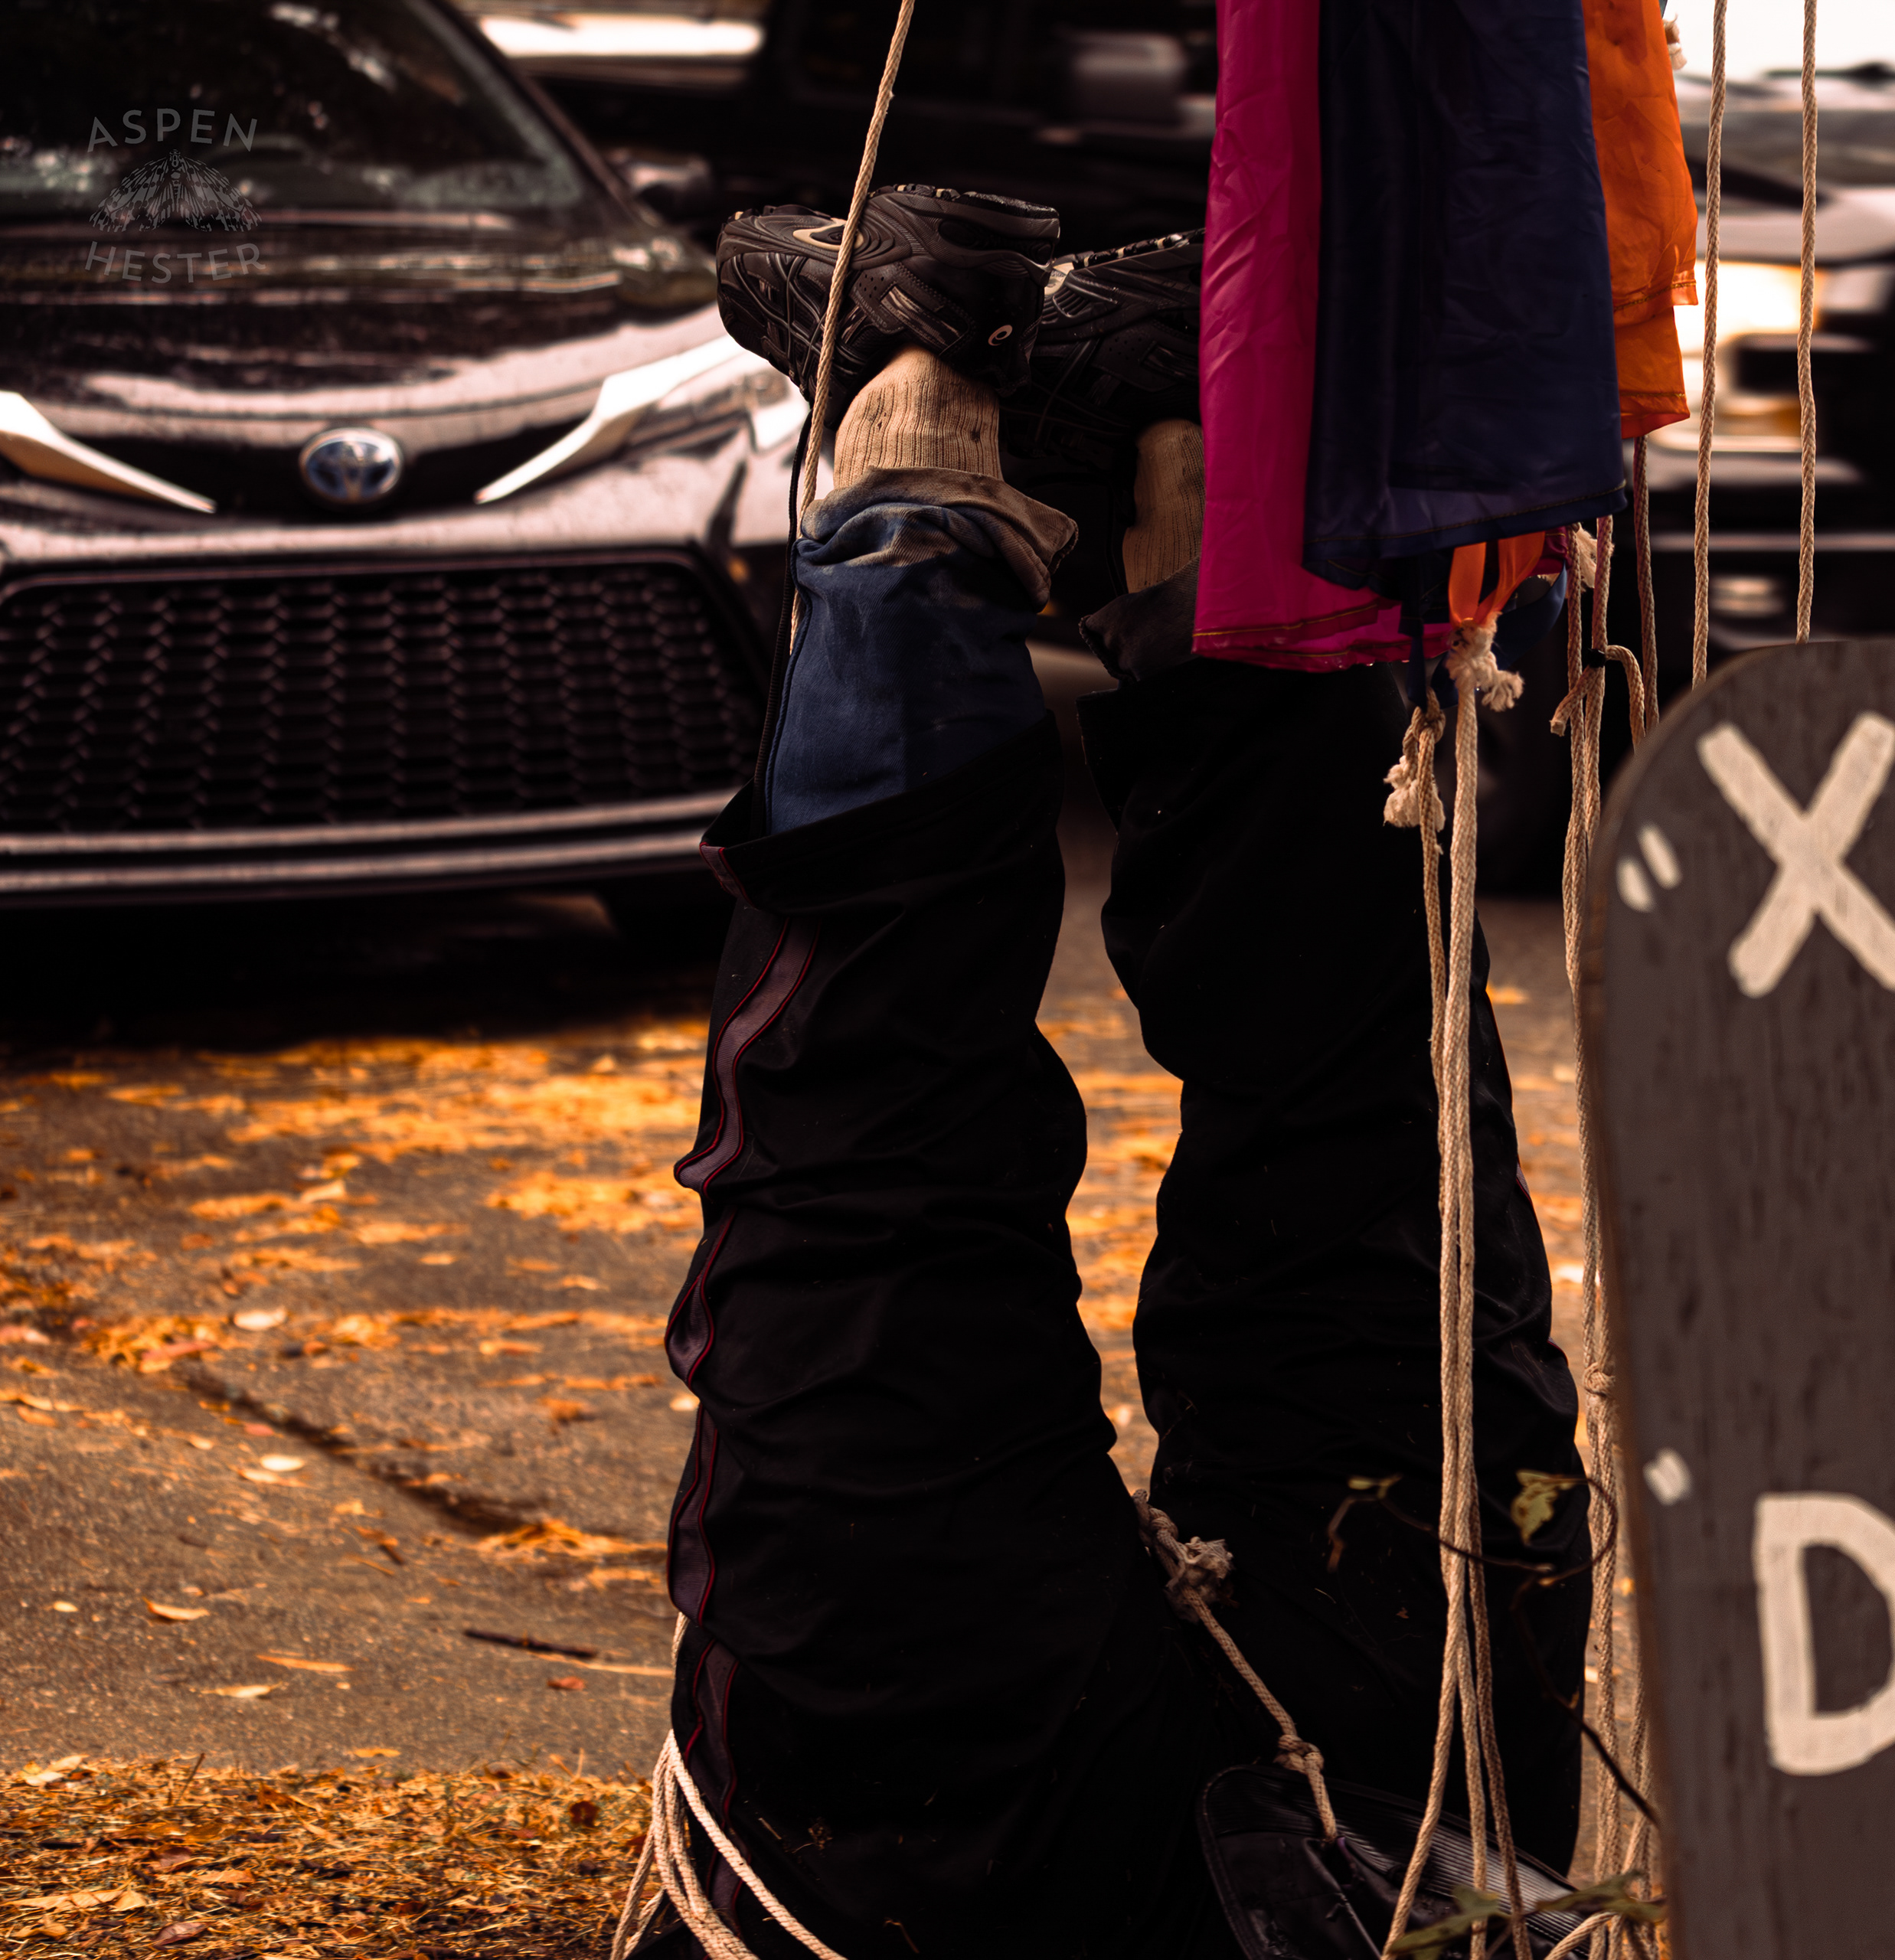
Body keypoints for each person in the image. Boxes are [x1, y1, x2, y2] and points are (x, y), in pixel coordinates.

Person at [639, 186, 1592, 1960]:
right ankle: (1154, 499)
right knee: (1367, 1245)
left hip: (948, 1869)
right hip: (1377, 1834)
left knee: (877, 1279)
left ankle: (943, 478)